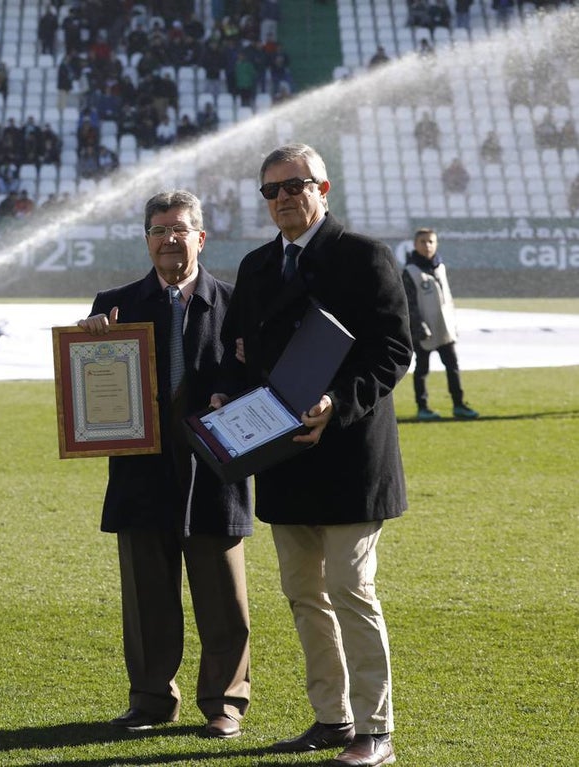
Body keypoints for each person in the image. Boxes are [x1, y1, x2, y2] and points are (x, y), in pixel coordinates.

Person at [213, 144, 410, 767]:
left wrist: (336, 405)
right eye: (272, 190)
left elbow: (392, 352)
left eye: (296, 185)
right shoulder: (255, 267)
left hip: (350, 455)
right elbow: (241, 352)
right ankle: (332, 718)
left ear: (323, 188)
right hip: (283, 458)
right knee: (304, 593)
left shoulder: (364, 256)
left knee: (351, 587)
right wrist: (228, 392)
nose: (284, 198)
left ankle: (375, 731)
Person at [76, 190, 252, 739]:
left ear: (201, 237)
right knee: (147, 597)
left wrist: (231, 393)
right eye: (158, 230)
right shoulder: (115, 304)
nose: (169, 239)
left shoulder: (237, 301)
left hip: (215, 469)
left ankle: (225, 702)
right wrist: (91, 338)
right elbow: (91, 379)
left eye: (180, 229)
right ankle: (152, 698)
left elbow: (258, 376)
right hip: (141, 472)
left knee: (224, 600)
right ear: (146, 239)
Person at [403, 228, 479, 421]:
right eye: (423, 241)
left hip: (445, 329)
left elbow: (448, 299)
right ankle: (423, 407)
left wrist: (453, 324)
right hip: (424, 331)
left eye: (431, 241)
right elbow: (409, 304)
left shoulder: (440, 267)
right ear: (415, 244)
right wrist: (419, 327)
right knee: (422, 370)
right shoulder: (410, 271)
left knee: (452, 366)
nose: (427, 245)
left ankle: (459, 405)